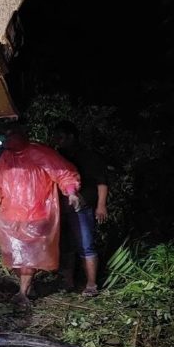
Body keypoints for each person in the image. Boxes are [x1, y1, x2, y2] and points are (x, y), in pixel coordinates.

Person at [0, 122, 82, 307]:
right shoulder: (6, 157)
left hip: (36, 213)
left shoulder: (40, 152)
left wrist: (71, 191)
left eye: (11, 134)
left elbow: (63, 172)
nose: (7, 138)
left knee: (29, 257)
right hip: (10, 214)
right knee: (14, 255)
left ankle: (22, 292)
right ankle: (28, 286)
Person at [51, 120, 109, 296]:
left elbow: (102, 182)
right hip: (62, 208)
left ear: (71, 137)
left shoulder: (88, 156)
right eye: (56, 137)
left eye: (61, 137)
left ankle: (91, 284)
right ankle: (67, 282)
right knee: (66, 245)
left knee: (86, 245)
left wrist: (101, 206)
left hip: (82, 207)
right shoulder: (57, 155)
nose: (57, 140)